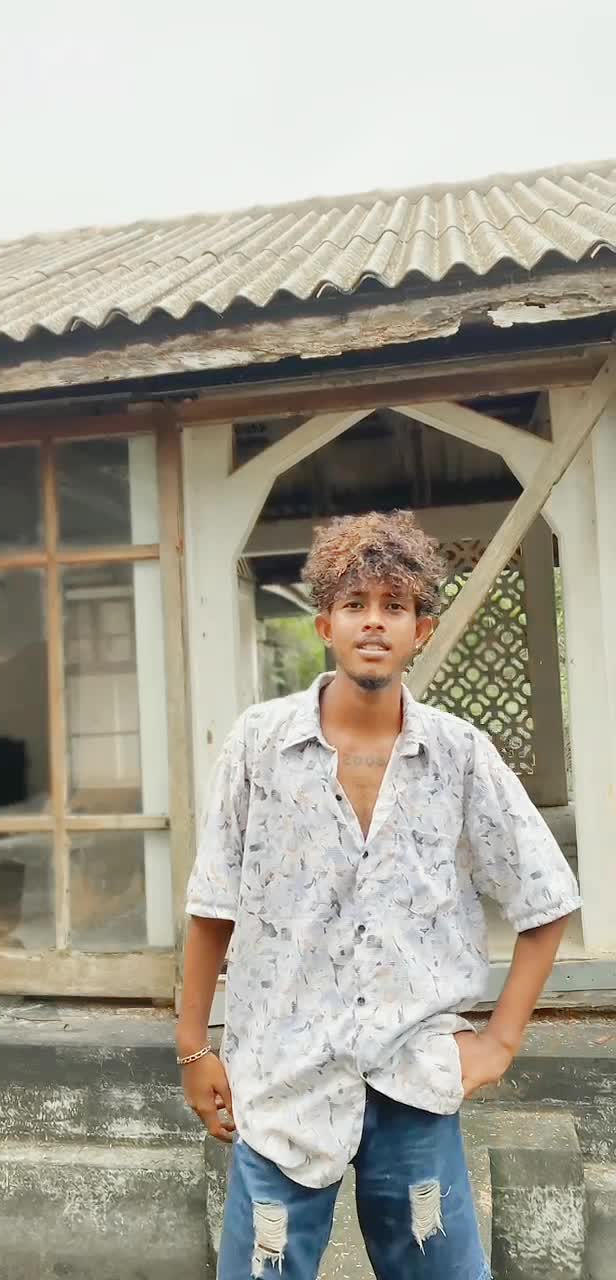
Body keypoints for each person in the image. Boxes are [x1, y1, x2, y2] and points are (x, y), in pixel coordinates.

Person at [176, 511, 580, 1280]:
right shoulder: (259, 745)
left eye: (394, 606)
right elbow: (213, 903)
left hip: (414, 1082)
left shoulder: (459, 755)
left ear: (420, 631)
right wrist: (194, 1046)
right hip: (283, 1079)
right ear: (324, 624)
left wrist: (500, 1042)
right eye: (355, 603)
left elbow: (546, 897)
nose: (373, 621)